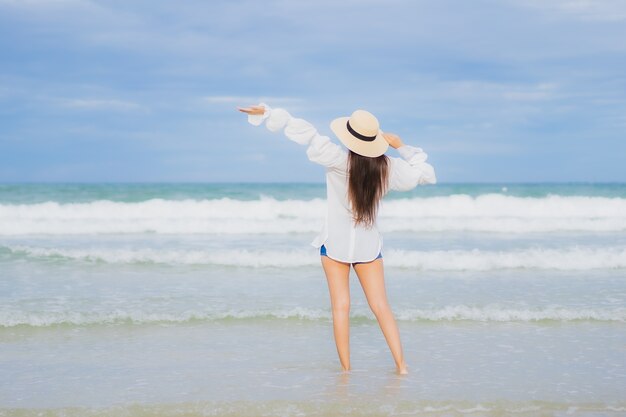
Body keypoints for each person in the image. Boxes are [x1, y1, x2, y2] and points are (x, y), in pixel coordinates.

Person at [238, 102, 436, 375]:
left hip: (334, 245)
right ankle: (402, 366)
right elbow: (424, 174)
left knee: (340, 308)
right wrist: (400, 145)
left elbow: (304, 133)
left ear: (350, 137)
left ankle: (346, 371)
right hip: (368, 247)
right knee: (381, 307)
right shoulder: (388, 168)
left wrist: (269, 113)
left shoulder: (336, 158)